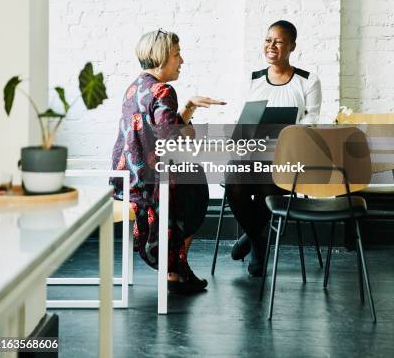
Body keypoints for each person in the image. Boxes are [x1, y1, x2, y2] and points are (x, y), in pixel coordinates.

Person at [110, 29, 226, 295]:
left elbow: (160, 129)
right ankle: (176, 268)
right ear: (161, 58)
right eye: (176, 54)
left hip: (126, 180)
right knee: (196, 188)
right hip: (148, 185)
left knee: (191, 179)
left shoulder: (135, 87)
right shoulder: (163, 90)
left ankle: (176, 268)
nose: (181, 60)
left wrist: (188, 108)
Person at [225, 20, 322, 277]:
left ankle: (253, 239)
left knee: (269, 183)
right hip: (253, 155)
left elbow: (311, 123)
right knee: (233, 180)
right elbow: (243, 121)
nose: (271, 46)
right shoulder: (254, 79)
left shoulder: (307, 81)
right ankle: (258, 239)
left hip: (288, 158)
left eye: (278, 41)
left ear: (292, 46)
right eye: (268, 40)